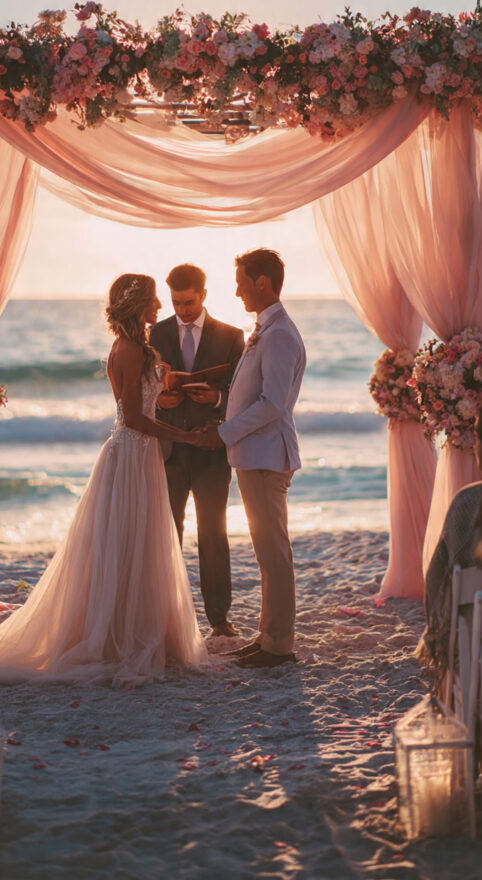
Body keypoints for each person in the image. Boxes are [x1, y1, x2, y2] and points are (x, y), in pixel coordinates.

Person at [0, 275, 208, 686]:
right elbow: (136, 418)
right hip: (133, 453)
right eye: (154, 298)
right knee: (129, 540)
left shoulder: (130, 348)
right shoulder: (132, 349)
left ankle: (132, 628)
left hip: (134, 454)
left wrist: (163, 392)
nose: (160, 305)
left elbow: (136, 404)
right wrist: (187, 435)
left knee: (134, 542)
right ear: (138, 305)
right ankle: (121, 636)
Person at [203, 249, 306, 669]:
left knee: (274, 553)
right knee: (267, 552)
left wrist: (224, 432)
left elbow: (273, 404)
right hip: (253, 456)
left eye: (242, 281)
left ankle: (279, 644)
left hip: (266, 457)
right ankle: (268, 637)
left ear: (262, 282)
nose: (237, 290)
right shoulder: (267, 328)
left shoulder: (279, 333)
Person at [149, 264, 244, 638]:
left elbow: (242, 392)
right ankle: (166, 616)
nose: (183, 310)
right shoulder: (155, 333)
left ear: (203, 295)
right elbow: (143, 390)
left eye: (188, 303)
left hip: (210, 449)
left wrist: (218, 398)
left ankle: (219, 619)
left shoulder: (231, 336)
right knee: (167, 533)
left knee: (213, 534)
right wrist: (162, 401)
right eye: (176, 303)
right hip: (170, 448)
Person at [418, 402, 482, 684]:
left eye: (478, 436)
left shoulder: (468, 503)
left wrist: (435, 637)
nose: (473, 445)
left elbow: (439, 579)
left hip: (478, 638)